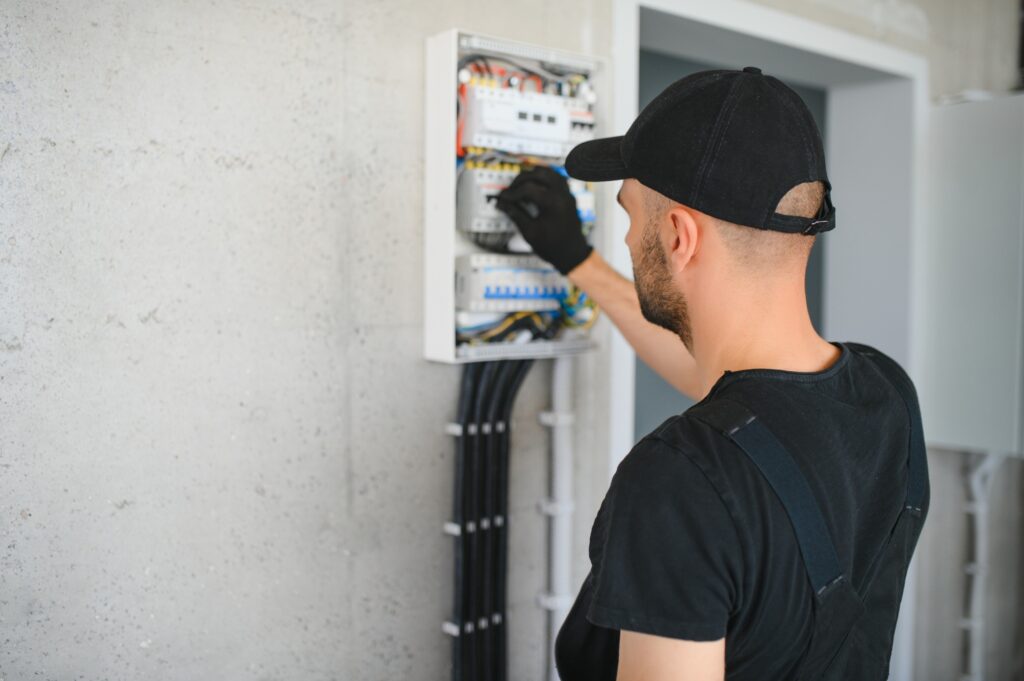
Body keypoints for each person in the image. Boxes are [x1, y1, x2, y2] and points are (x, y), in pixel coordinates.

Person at [494, 67, 930, 681]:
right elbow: (741, 402)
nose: (625, 237)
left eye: (629, 215)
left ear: (678, 236)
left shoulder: (679, 478)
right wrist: (578, 261)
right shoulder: (886, 394)